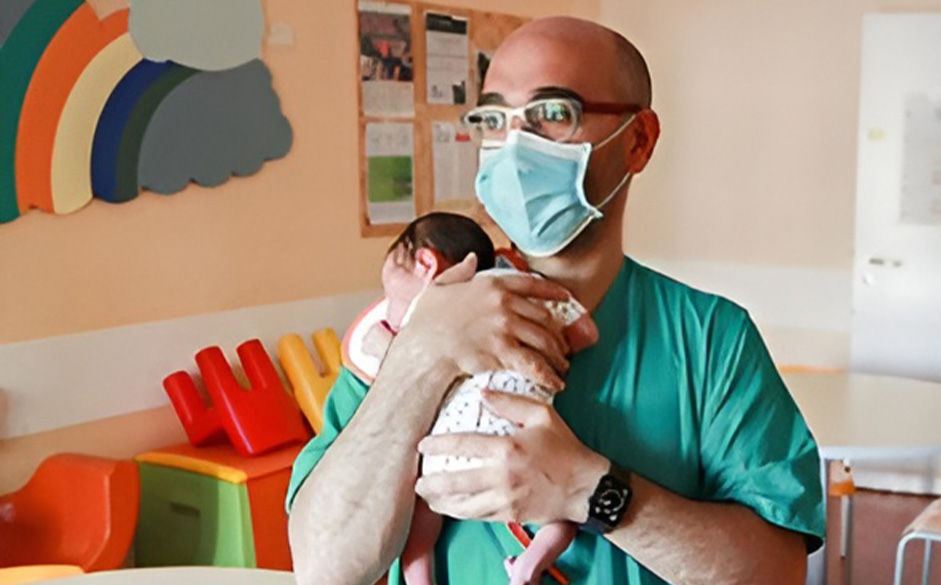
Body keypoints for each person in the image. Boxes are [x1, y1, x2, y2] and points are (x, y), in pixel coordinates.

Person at [287, 16, 825, 585]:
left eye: (554, 114)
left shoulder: (710, 339)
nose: (516, 146)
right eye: (494, 120)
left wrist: (589, 489)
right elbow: (325, 567)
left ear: (638, 141)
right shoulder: (416, 316)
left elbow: (776, 574)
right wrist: (424, 355)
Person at [342, 212, 598, 585]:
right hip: (521, 440)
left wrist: (385, 340)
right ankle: (528, 567)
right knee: (564, 517)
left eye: (392, 295)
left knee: (420, 530)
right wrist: (556, 351)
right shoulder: (523, 287)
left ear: (426, 264)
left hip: (443, 453)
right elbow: (586, 333)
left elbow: (397, 363)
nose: (392, 311)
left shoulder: (429, 310)